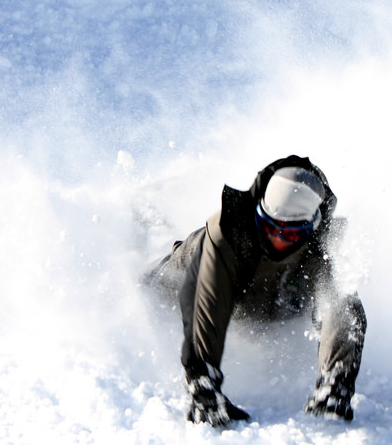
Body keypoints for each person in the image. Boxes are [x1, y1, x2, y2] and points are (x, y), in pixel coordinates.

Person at [144, 155, 366, 426]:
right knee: (148, 292)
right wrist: (202, 381)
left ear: (310, 228)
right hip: (196, 267)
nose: (277, 238)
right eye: (270, 226)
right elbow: (208, 302)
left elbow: (341, 310)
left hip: (270, 298)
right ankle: (148, 218)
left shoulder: (323, 250)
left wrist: (336, 384)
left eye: (290, 234)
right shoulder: (228, 234)